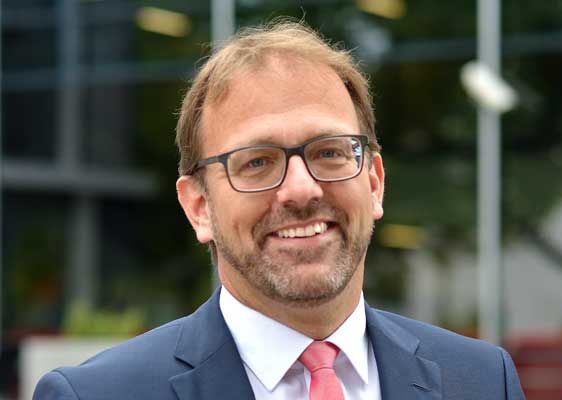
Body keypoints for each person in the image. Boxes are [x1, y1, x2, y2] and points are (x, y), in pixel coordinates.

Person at [34, 20, 525, 400]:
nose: (301, 189)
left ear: (374, 181)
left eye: (329, 152)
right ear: (199, 207)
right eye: (257, 162)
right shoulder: (97, 395)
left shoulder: (483, 381)